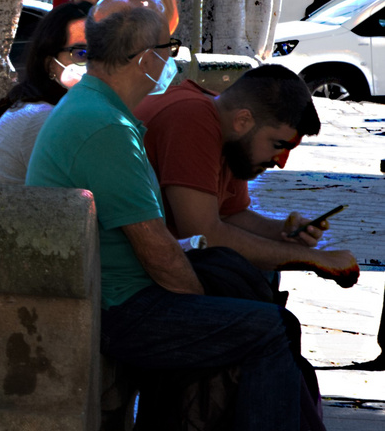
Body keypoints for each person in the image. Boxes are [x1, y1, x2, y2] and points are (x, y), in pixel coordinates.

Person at [27, 0, 333, 431]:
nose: (172, 60)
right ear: (145, 58)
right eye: (168, 50)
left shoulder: (100, 111)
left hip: (112, 295)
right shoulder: (105, 127)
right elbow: (160, 253)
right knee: (264, 329)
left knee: (250, 317)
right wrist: (207, 321)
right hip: (119, 307)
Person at [136, 65, 359, 282]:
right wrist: (315, 259)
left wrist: (281, 231)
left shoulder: (230, 125)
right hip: (127, 279)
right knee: (266, 308)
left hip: (159, 264)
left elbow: (230, 214)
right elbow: (203, 236)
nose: (280, 162)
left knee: (261, 272)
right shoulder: (193, 119)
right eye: (278, 144)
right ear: (243, 121)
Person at [0, 2, 91, 184]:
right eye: (81, 53)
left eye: (103, 52)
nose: (94, 64)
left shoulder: (61, 111)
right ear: (50, 63)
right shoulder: (42, 118)